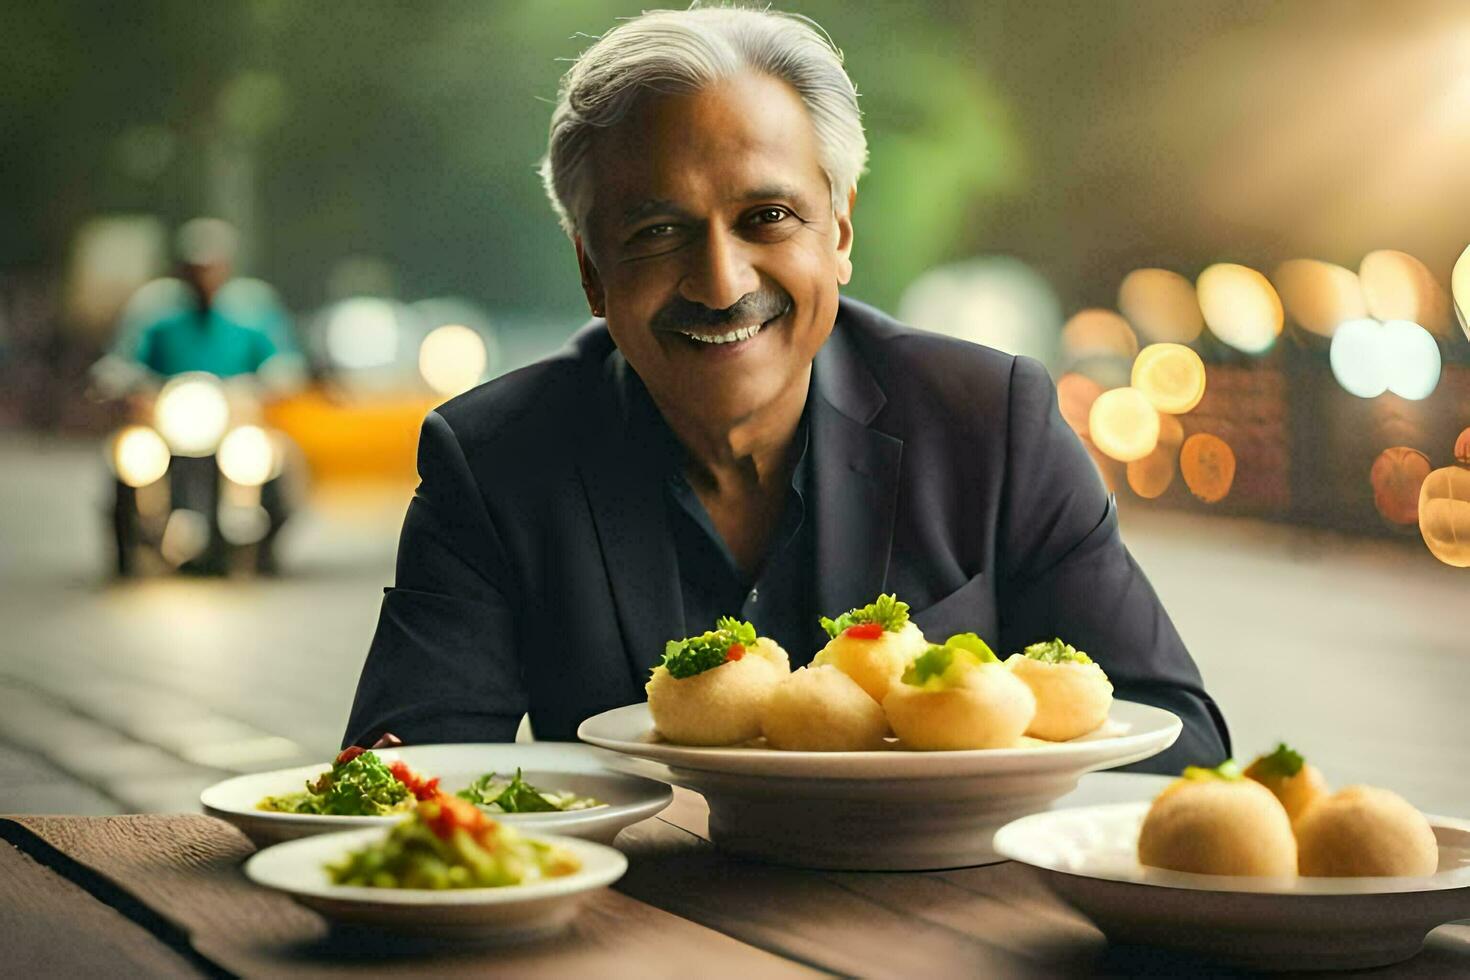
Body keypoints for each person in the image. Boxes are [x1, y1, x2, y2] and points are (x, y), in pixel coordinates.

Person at [344, 6, 1229, 772]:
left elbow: (1179, 739)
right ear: (591, 272)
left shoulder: (993, 420)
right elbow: (409, 775)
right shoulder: (494, 460)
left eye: (767, 217)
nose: (722, 282)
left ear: (838, 231)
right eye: (658, 231)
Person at [93, 217, 303, 393]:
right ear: (182, 269)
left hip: (236, 411)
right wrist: (120, 378)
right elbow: (125, 356)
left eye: (212, 269)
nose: (204, 279)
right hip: (166, 409)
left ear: (227, 268)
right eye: (197, 270)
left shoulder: (254, 305)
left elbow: (281, 359)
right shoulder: (155, 305)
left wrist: (277, 378)